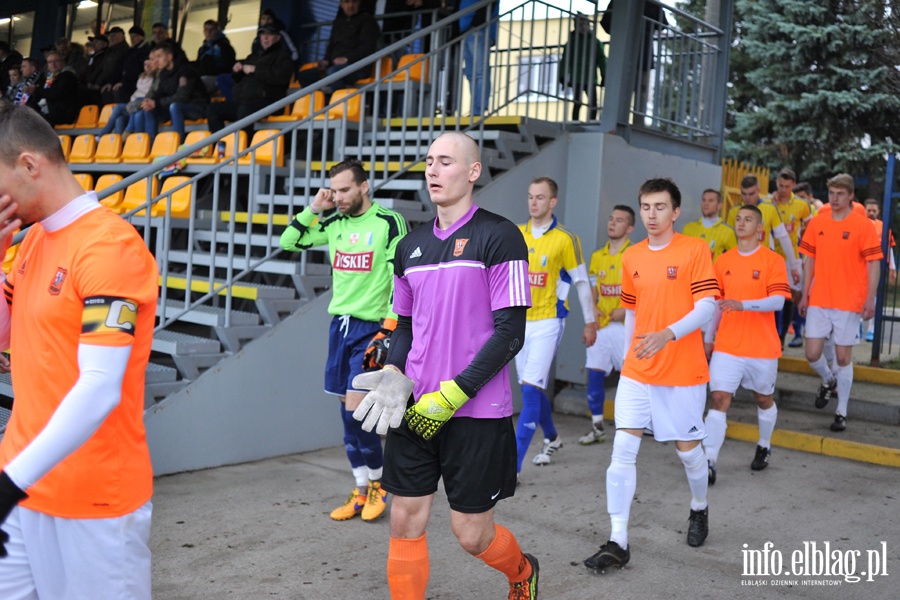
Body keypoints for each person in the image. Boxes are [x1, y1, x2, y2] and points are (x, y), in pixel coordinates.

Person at [351, 132, 538, 598]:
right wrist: (395, 372)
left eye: (446, 161)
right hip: (414, 408)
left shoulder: (500, 236)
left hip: (475, 411)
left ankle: (522, 573)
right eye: (429, 161)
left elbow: (511, 332)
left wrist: (455, 392)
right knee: (404, 518)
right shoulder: (410, 246)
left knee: (472, 535)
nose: (432, 170)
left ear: (473, 172)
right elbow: (406, 327)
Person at [0, 103, 158, 599]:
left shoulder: (110, 247)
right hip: (23, 493)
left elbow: (99, 386)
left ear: (29, 165)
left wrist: (10, 482)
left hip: (93, 502)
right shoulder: (28, 243)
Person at [583, 178, 718, 573]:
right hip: (639, 370)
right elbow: (633, 312)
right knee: (622, 451)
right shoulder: (632, 256)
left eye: (660, 207)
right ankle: (618, 540)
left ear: (676, 212)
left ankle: (699, 507)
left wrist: (668, 333)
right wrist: (629, 360)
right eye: (646, 207)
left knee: (688, 454)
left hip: (682, 370)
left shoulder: (694, 249)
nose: (652, 215)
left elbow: (708, 306)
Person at [279, 160, 408, 522]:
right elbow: (289, 241)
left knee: (357, 412)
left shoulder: (387, 222)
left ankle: (381, 484)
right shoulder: (333, 222)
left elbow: (402, 277)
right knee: (345, 413)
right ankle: (360, 489)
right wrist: (314, 209)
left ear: (364, 187)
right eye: (333, 190)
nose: (338, 197)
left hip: (372, 328)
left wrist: (389, 328)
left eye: (345, 190)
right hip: (341, 326)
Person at [702, 205, 791, 483]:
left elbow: (778, 301)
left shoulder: (773, 260)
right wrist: (708, 338)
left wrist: (743, 304)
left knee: (763, 399)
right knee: (718, 399)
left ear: (760, 229)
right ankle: (710, 461)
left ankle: (764, 444)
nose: (741, 223)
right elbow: (717, 304)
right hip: (727, 345)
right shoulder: (723, 260)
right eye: (738, 219)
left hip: (762, 348)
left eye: (748, 219)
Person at [514, 177, 597, 474]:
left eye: (540, 197)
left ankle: (513, 467)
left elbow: (582, 282)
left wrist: (590, 322)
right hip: (519, 321)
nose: (533, 202)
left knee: (531, 389)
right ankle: (552, 436)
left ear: (553, 202)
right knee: (530, 389)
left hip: (549, 320)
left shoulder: (565, 238)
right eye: (530, 196)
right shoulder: (517, 234)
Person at [798, 174, 882, 432]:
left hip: (848, 300)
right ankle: (828, 380)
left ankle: (841, 411)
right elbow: (809, 260)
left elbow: (873, 263)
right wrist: (804, 293)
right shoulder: (817, 223)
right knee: (812, 353)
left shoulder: (863, 225)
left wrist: (869, 298)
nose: (834, 198)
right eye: (831, 193)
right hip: (820, 297)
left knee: (843, 357)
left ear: (850, 196)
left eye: (840, 194)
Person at [580, 205, 634, 445]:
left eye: (619, 220)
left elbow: (646, 290)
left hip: (627, 327)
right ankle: (598, 427)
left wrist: (627, 308)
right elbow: (591, 287)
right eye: (611, 219)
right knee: (594, 373)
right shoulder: (597, 255)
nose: (612, 223)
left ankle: (632, 429)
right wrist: (592, 309)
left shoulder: (635, 254)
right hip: (602, 326)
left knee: (632, 379)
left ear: (630, 228)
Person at [207, 24, 294, 134]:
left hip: (269, 102)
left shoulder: (283, 57)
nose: (265, 37)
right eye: (263, 34)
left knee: (245, 110)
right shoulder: (252, 57)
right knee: (213, 109)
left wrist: (256, 70)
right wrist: (236, 71)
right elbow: (237, 80)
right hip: (244, 101)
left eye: (269, 34)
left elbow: (281, 78)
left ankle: (243, 148)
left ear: (277, 37)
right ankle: (219, 146)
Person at [726, 174, 801, 290]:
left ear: (758, 191)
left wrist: (793, 266)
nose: (748, 198)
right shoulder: (733, 212)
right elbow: (728, 242)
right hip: (740, 266)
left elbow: (783, 237)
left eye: (751, 194)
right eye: (744, 194)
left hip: (763, 266)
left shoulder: (769, 209)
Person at [767, 168, 811, 346]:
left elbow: (810, 226)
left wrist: (803, 242)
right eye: (780, 185)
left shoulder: (801, 205)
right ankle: (773, 336)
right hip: (770, 256)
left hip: (792, 256)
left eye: (787, 186)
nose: (783, 189)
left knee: (791, 296)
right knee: (771, 296)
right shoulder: (770, 202)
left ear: (793, 185)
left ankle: (787, 334)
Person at [297, 0, 381, 89]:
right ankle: (323, 100)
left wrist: (347, 58)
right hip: (334, 67)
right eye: (347, 2)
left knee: (333, 72)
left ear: (359, 3)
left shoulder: (368, 21)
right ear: (341, 4)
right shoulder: (338, 21)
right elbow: (332, 45)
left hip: (357, 67)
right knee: (304, 76)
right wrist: (326, 60)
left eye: (354, 2)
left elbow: (368, 48)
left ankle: (340, 101)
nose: (350, 5)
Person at [142, 42, 208, 141]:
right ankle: (150, 145)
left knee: (175, 106)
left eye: (159, 56)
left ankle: (178, 145)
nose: (156, 60)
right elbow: (160, 92)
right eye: (155, 57)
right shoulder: (164, 73)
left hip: (197, 106)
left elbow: (182, 97)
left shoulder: (186, 71)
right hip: (176, 107)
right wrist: (150, 101)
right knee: (149, 109)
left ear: (169, 57)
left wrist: (157, 102)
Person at [558, 14, 606, 121]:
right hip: (578, 78)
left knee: (593, 103)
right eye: (580, 25)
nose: (583, 27)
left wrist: (604, 74)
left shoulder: (594, 42)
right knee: (578, 101)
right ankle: (576, 121)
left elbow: (602, 60)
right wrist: (562, 76)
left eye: (584, 25)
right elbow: (565, 60)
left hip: (590, 78)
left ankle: (591, 121)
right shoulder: (572, 42)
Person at [459, 0, 499, 116]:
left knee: (480, 72)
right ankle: (476, 108)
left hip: (478, 30)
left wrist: (474, 24)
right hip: (467, 30)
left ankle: (479, 108)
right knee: (471, 74)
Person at [681, 188, 736, 263]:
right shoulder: (688, 228)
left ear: (719, 205)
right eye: (704, 200)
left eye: (711, 201)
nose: (706, 203)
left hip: (713, 274)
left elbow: (735, 259)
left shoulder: (728, 232)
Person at [32, 51, 81, 127]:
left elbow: (55, 93)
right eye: (50, 62)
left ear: (63, 62)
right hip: (48, 114)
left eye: (56, 61)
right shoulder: (49, 78)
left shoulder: (68, 76)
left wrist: (36, 90)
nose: (53, 64)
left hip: (62, 115)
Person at [194, 19, 237, 95]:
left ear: (217, 30)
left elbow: (227, 66)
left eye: (211, 29)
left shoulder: (224, 47)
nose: (208, 32)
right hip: (203, 76)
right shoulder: (202, 49)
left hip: (217, 77)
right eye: (206, 29)